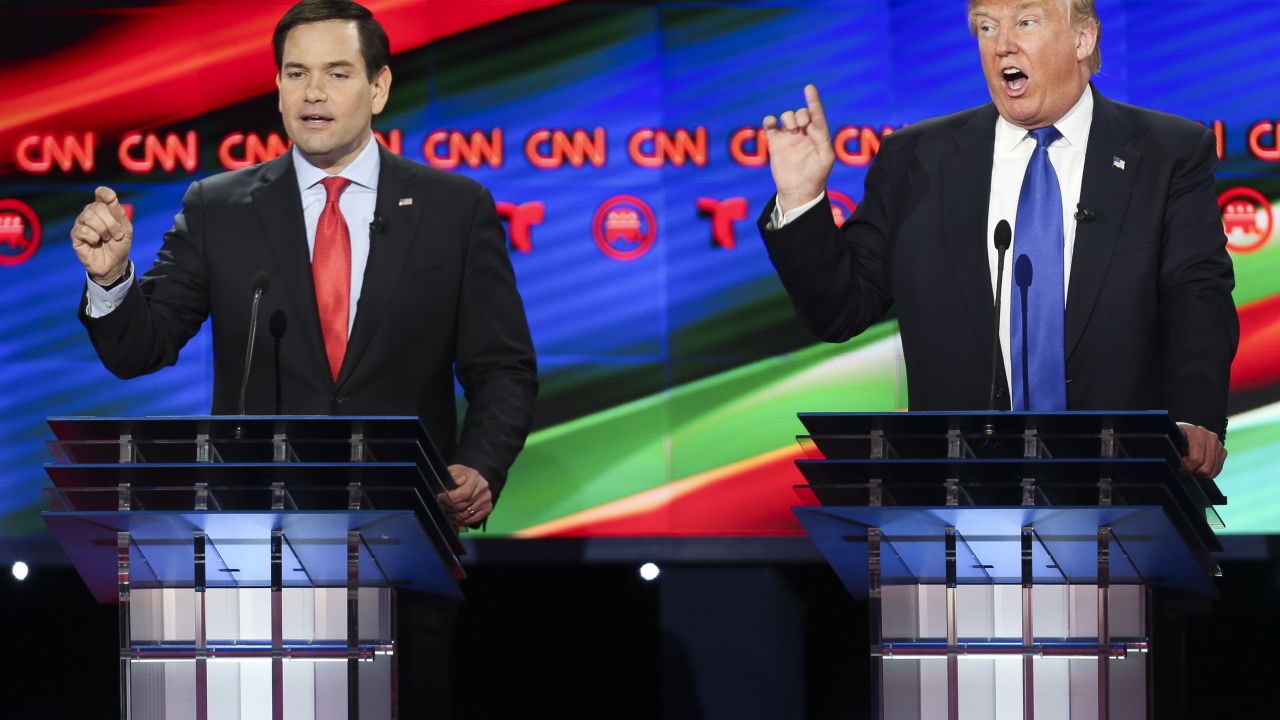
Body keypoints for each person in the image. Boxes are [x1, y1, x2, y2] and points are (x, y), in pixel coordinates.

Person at [70, 0, 537, 713]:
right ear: (279, 88)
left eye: (336, 72)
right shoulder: (219, 206)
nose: (313, 92)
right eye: (296, 73)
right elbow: (144, 345)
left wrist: (481, 461)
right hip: (254, 550)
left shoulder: (453, 207)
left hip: (398, 538)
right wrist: (110, 280)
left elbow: (501, 366)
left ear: (378, 88)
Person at [759, 0, 1236, 481]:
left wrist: (1194, 414)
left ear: (1082, 40)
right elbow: (841, 309)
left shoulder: (1167, 152)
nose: (1002, 43)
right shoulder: (915, 160)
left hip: (1127, 487)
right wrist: (801, 199)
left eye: (1025, 22)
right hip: (956, 500)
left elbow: (1197, 294)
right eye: (986, 27)